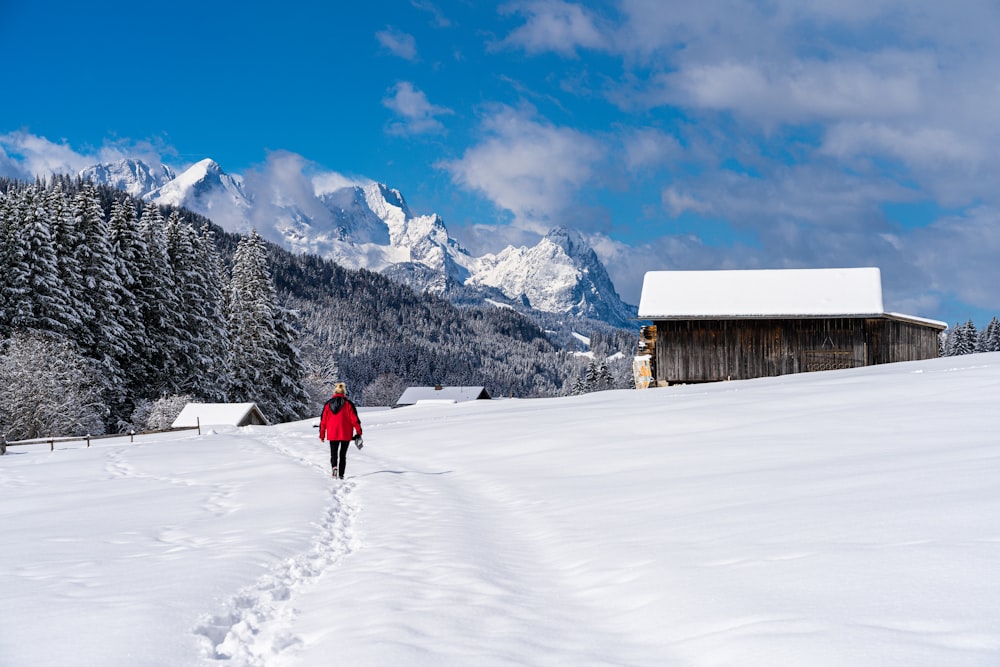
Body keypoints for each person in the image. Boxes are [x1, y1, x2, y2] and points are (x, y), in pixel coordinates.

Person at [318, 382, 362, 479]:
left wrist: (322, 435)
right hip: (346, 433)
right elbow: (355, 420)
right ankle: (341, 475)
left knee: (333, 454)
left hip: (332, 433)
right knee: (343, 455)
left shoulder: (327, 404)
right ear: (344, 392)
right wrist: (359, 432)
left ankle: (334, 467)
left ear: (335, 392)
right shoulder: (348, 404)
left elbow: (323, 421)